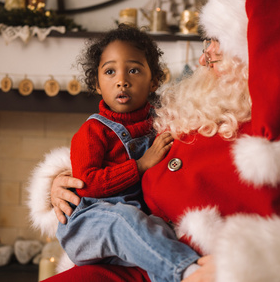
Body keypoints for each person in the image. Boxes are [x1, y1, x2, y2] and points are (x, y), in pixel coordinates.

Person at [27, 0, 280, 281]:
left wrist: (242, 270)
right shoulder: (194, 103)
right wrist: (69, 182)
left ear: (262, 53)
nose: (204, 56)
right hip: (132, 259)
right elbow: (128, 152)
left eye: (218, 42)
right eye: (208, 40)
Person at [50, 25, 200, 282]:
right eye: (110, 71)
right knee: (123, 219)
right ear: (96, 84)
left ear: (154, 80)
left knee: (158, 232)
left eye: (133, 70)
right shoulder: (93, 131)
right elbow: (88, 184)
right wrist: (140, 165)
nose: (122, 80)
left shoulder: (161, 123)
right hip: (89, 225)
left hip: (131, 230)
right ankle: (188, 272)